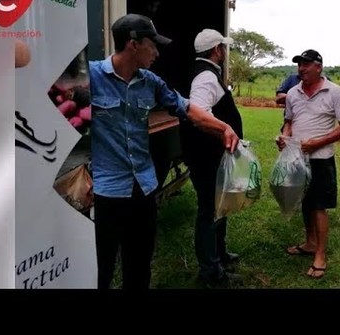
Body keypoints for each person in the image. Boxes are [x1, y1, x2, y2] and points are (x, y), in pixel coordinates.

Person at [89, 14, 239, 290]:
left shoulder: (151, 82)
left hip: (144, 189)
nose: (158, 52)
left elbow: (188, 108)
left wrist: (223, 127)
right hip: (107, 192)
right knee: (101, 269)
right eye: (153, 45)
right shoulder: (92, 77)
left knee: (139, 265)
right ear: (133, 44)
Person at [276, 49, 340, 279]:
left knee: (319, 206)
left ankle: (320, 255)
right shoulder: (292, 93)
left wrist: (317, 143)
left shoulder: (334, 92)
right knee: (305, 202)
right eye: (299, 65)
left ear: (318, 67)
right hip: (298, 158)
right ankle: (310, 243)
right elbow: (289, 122)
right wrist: (285, 137)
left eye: (306, 65)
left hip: (321, 159)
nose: (301, 69)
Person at [179, 28, 245, 289]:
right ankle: (211, 270)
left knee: (219, 207)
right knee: (209, 211)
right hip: (207, 158)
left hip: (210, 156)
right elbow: (199, 112)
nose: (224, 52)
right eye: (223, 48)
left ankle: (219, 255)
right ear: (216, 50)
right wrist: (223, 131)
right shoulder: (206, 77)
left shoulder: (204, 73)